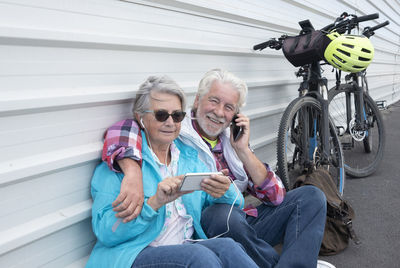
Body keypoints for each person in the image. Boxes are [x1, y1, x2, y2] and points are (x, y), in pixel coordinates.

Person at [102, 69, 327, 267]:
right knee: (221, 216)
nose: (219, 112)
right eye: (214, 101)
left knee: (311, 196)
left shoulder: (232, 141)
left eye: (229, 107)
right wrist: (132, 171)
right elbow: (125, 128)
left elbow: (276, 196)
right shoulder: (176, 130)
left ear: (236, 115)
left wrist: (244, 151)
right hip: (212, 226)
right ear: (197, 100)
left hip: (242, 226)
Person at [87, 76, 258, 268]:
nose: (170, 122)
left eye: (177, 116)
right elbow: (106, 232)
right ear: (140, 117)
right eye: (161, 115)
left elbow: (237, 201)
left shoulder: (188, 158)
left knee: (229, 247)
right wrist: (153, 204)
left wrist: (225, 189)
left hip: (184, 249)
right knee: (199, 256)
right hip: (134, 255)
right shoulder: (120, 167)